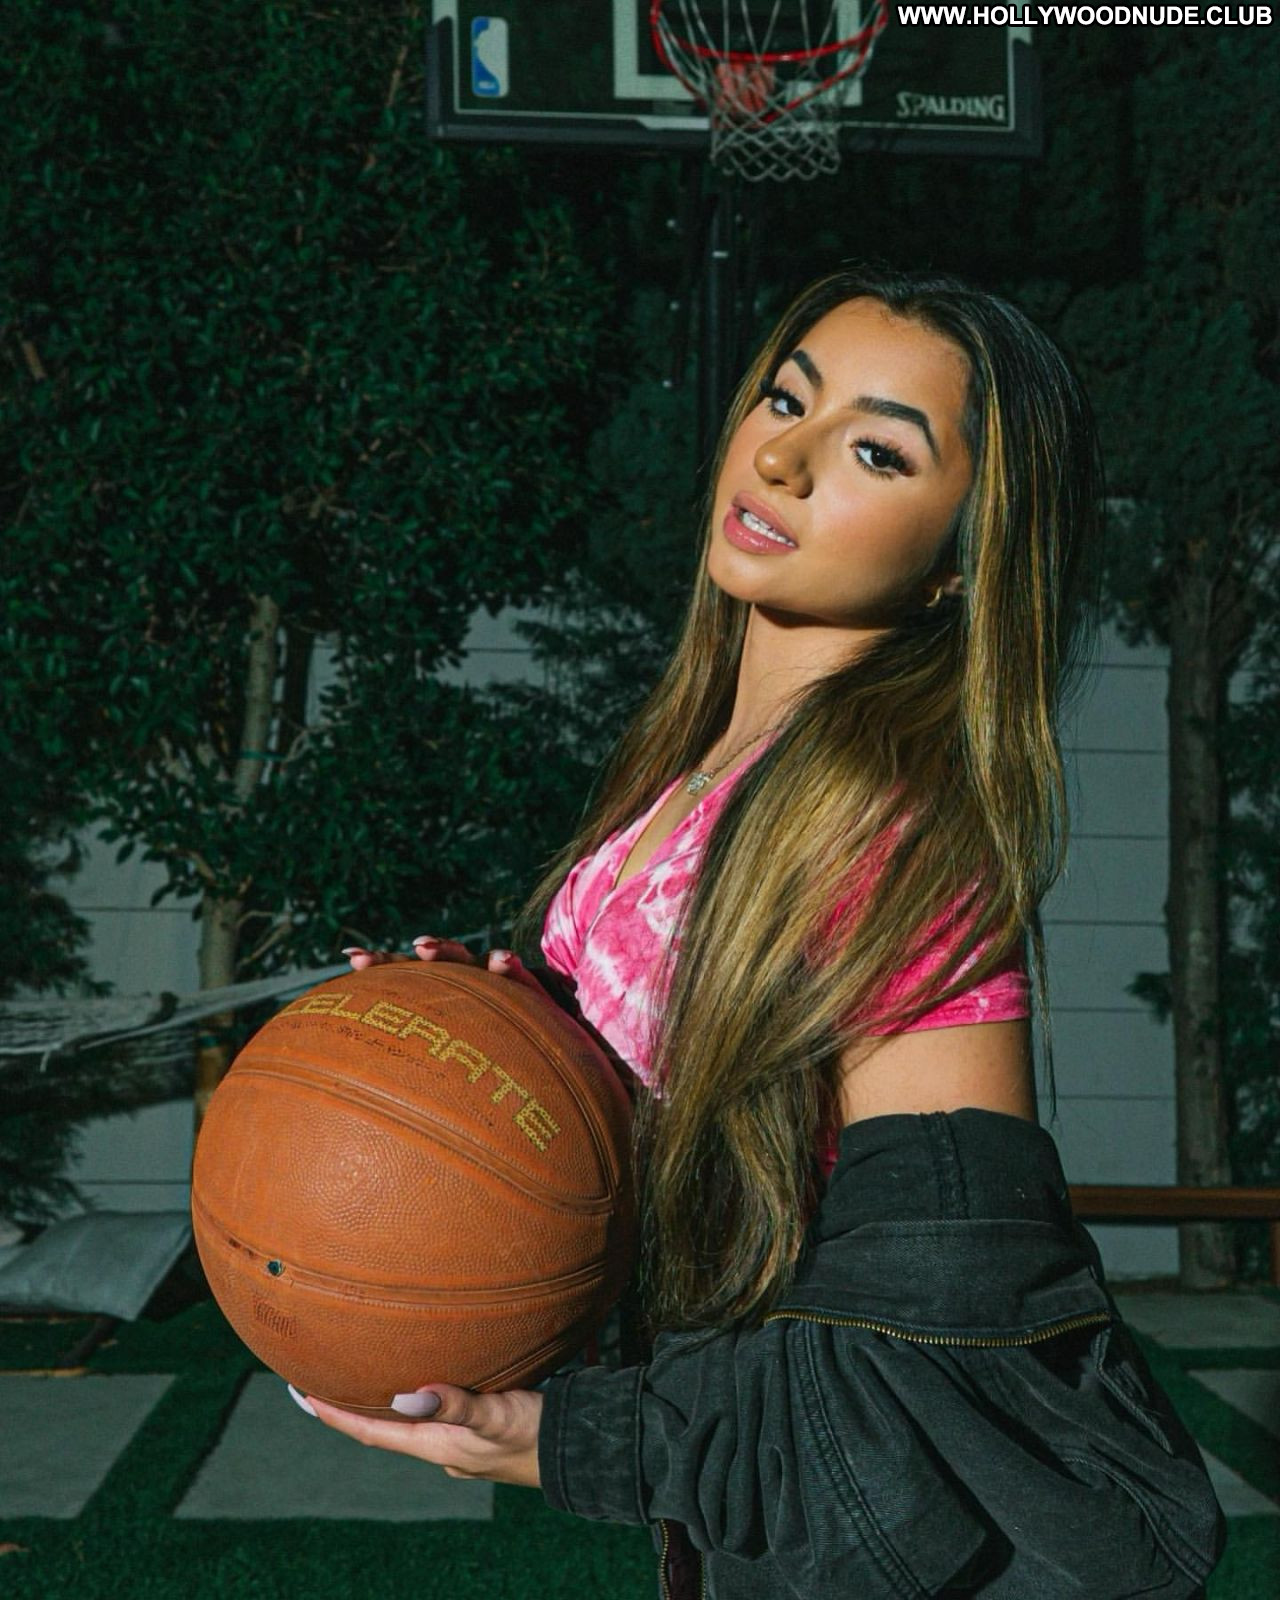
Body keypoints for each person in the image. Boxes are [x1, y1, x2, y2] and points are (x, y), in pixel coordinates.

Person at [305, 268, 1225, 1597]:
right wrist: (509, 1055)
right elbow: (710, 1162)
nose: (783, 459)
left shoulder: (892, 837)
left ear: (961, 560)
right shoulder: (690, 772)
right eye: (787, 401)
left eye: (876, 451)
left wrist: (583, 1441)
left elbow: (936, 1359)